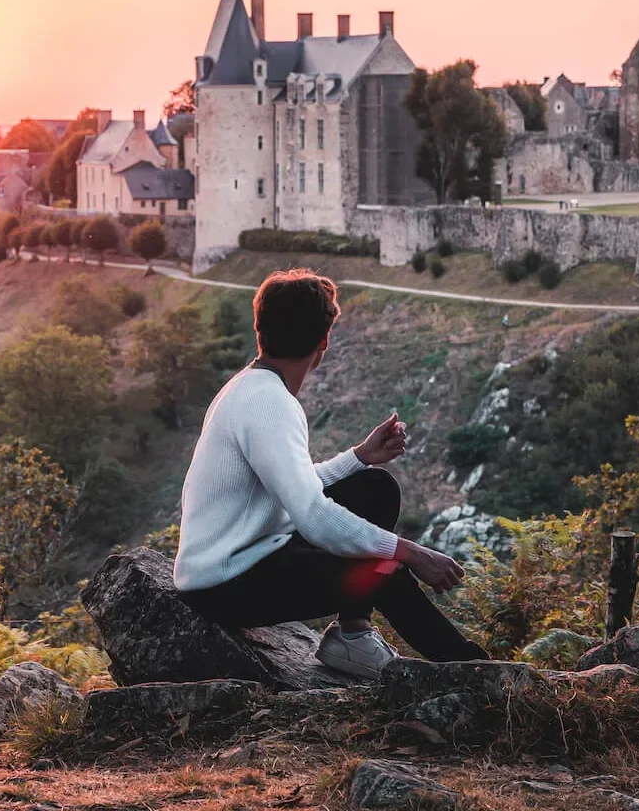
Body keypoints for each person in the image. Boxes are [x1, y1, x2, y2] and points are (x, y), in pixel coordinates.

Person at [174, 269, 489, 677]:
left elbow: (293, 488)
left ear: (261, 328)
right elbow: (315, 517)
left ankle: (352, 637)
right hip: (225, 584)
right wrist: (410, 552)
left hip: (242, 558)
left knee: (374, 487)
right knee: (384, 575)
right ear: (323, 341)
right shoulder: (271, 404)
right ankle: (476, 673)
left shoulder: (249, 388)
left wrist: (359, 457)